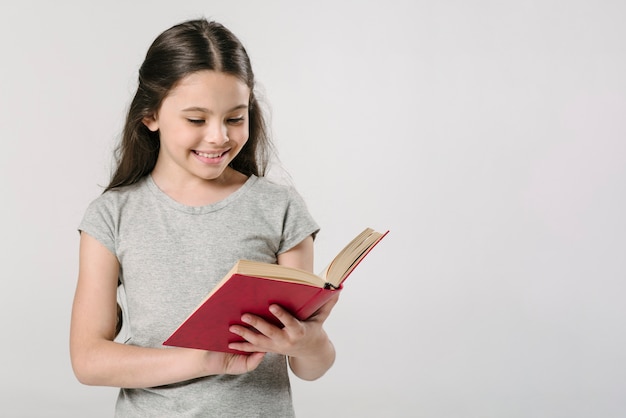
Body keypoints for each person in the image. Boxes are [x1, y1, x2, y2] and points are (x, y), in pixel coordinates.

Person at [70, 18, 338, 417]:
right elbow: (88, 361)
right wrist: (207, 360)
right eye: (196, 120)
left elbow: (311, 367)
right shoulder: (112, 215)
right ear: (150, 116)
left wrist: (306, 343)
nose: (218, 136)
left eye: (234, 118)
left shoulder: (279, 208)